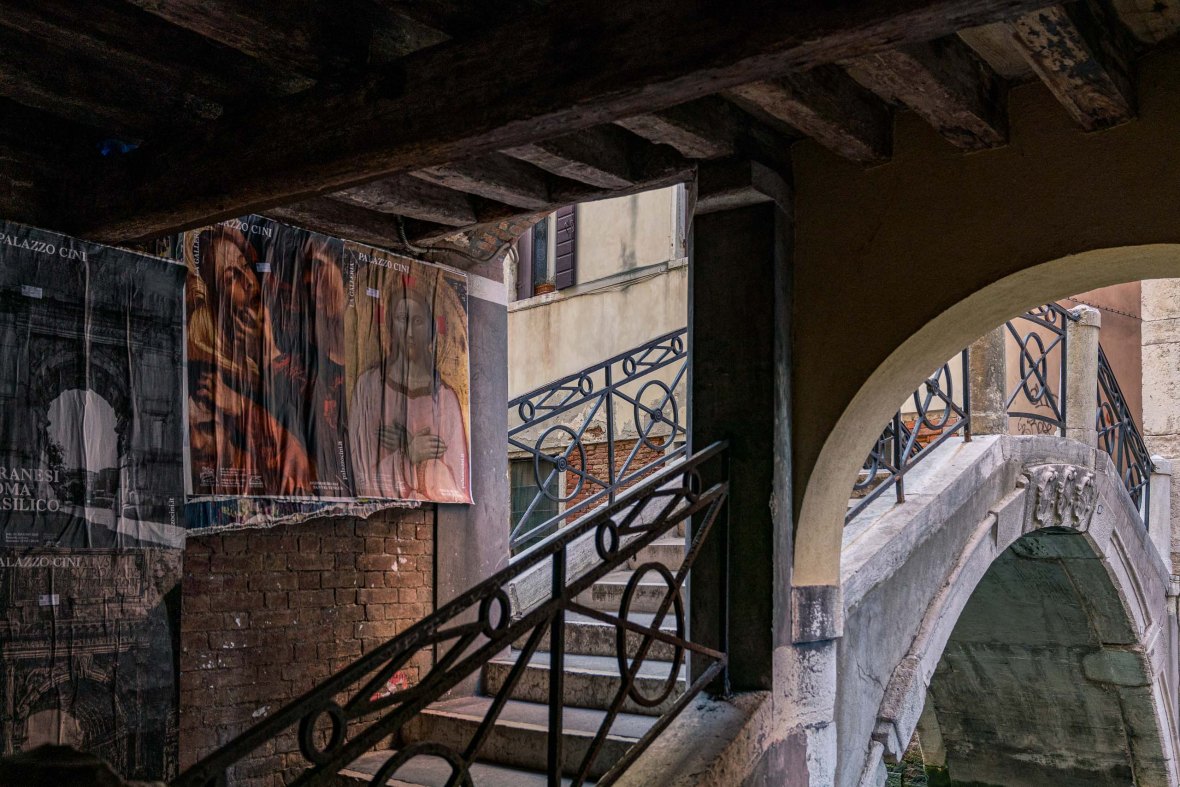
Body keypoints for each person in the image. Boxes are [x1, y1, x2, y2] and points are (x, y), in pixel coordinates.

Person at [187, 225, 311, 496]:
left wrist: (270, 351)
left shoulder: (291, 325)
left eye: (245, 266)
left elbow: (308, 420)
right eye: (231, 278)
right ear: (216, 298)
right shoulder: (214, 360)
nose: (247, 280)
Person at [348, 284, 469, 502]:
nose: (410, 332)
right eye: (402, 319)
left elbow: (458, 485)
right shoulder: (368, 388)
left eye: (418, 321)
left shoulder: (446, 399)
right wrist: (408, 454)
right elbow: (360, 476)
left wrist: (411, 450)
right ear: (390, 326)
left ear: (430, 331)